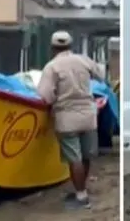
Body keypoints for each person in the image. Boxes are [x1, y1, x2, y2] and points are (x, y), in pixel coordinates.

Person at [37, 30, 105, 209]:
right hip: (89, 116)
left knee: (74, 158)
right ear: (71, 45)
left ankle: (81, 197)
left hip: (67, 118)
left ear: (53, 48)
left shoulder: (52, 67)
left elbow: (45, 96)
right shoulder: (83, 60)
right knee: (85, 155)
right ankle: (82, 190)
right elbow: (101, 75)